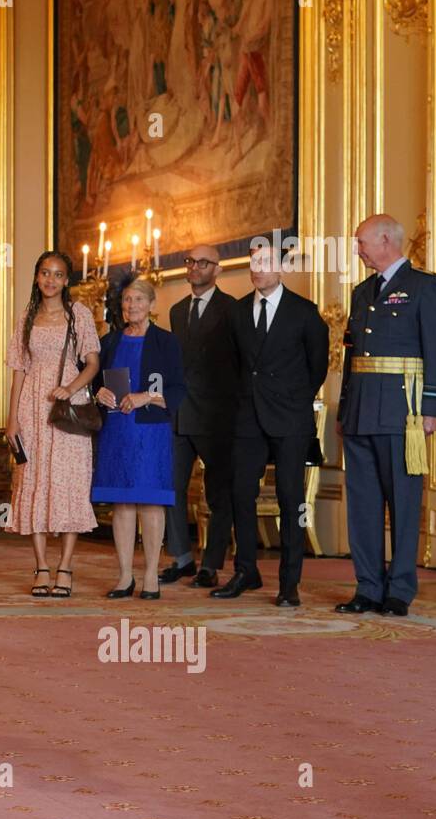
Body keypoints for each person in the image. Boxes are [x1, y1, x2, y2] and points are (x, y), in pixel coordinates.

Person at [335, 214, 436, 616]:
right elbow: (354, 355)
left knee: (403, 502)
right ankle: (368, 587)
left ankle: (399, 589)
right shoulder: (362, 291)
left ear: (385, 240)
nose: (358, 250)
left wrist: (432, 410)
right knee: (363, 506)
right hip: (361, 413)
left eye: (362, 242)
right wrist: (346, 407)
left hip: (404, 414)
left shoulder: (424, 288)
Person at [213, 241, 328, 605]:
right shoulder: (236, 313)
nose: (257, 268)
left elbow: (317, 366)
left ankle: (288, 584)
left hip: (290, 418)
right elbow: (230, 365)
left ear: (281, 269)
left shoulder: (305, 313)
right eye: (253, 262)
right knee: (240, 495)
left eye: (265, 262)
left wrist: (293, 400)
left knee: (290, 497)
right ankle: (246, 571)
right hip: (248, 417)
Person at [3, 251, 100, 598]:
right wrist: (11, 418)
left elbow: (92, 363)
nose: (50, 280)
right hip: (31, 406)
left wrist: (69, 389)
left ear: (66, 280)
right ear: (36, 276)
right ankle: (42, 566)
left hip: (67, 407)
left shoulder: (80, 314)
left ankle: (66, 567)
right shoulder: (27, 315)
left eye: (58, 275)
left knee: (68, 483)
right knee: (33, 481)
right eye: (45, 273)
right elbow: (18, 370)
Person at [91, 279, 185, 599]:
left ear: (151, 304)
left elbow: (179, 389)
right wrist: (98, 392)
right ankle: (124, 576)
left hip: (150, 429)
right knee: (122, 502)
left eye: (138, 299)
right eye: (127, 300)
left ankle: (150, 576)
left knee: (150, 500)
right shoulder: (110, 342)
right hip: (117, 429)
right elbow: (92, 380)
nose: (131, 305)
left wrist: (147, 396)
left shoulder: (166, 342)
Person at [160, 245, 238, 589]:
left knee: (218, 491)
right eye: (190, 261)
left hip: (216, 416)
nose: (194, 267)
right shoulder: (176, 311)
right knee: (171, 487)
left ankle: (211, 563)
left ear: (217, 269)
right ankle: (182, 558)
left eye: (202, 262)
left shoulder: (232, 309)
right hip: (178, 414)